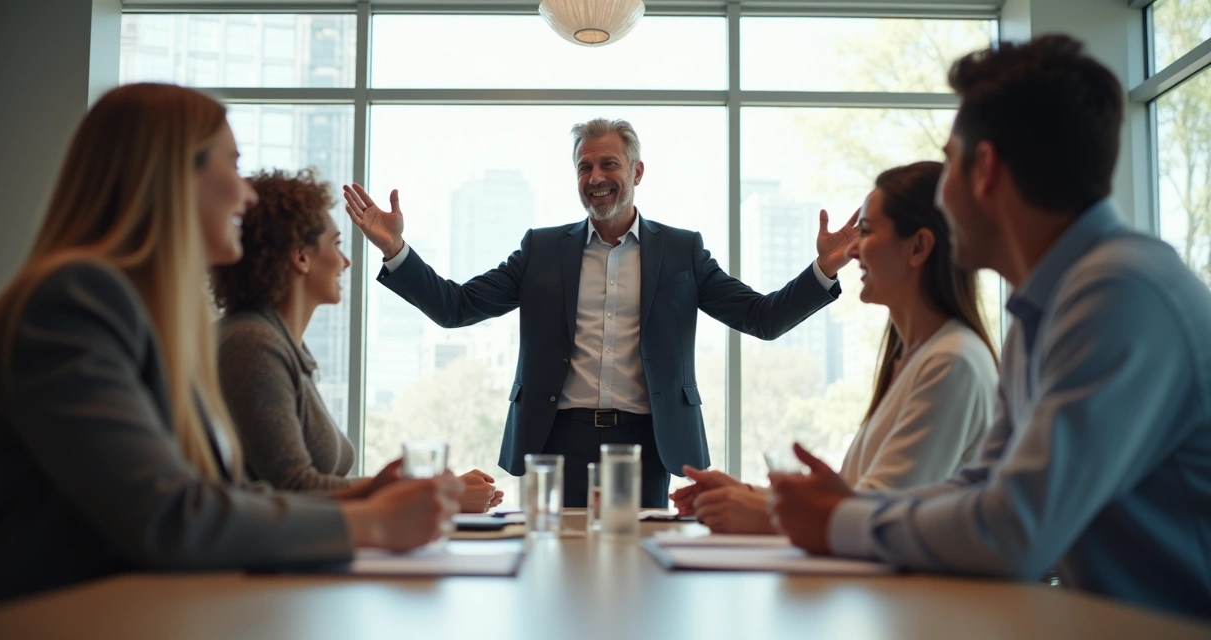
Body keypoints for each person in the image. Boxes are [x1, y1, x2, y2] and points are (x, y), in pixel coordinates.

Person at [768, 35, 1211, 621]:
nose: (941, 193)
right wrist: (845, 508)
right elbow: (984, 481)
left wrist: (839, 519)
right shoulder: (1048, 305)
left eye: (948, 160)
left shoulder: (1118, 291)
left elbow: (1015, 528)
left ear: (985, 169)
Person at [0, 83, 462, 602]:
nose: (247, 194)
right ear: (171, 173)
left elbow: (219, 499)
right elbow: (169, 517)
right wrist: (369, 522)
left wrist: (366, 498)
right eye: (232, 164)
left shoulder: (151, 317)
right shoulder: (77, 299)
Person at [343, 118, 858, 508]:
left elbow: (762, 319)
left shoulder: (682, 251)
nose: (596, 176)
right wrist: (396, 251)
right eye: (585, 166)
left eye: (608, 164)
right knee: (554, 572)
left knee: (642, 575)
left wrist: (824, 268)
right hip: (555, 437)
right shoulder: (541, 250)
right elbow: (456, 308)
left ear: (636, 171)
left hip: (648, 442)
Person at [671, 161, 999, 534]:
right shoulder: (917, 358)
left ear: (919, 247)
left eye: (868, 232)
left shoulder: (952, 362)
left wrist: (759, 511)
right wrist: (746, 494)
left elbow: (875, 517)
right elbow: (856, 498)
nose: (854, 250)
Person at [210, 168, 503, 512]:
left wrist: (433, 489)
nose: (345, 261)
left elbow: (309, 484)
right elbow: (295, 489)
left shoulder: (277, 341)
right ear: (301, 256)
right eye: (335, 244)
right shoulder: (253, 344)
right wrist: (441, 493)